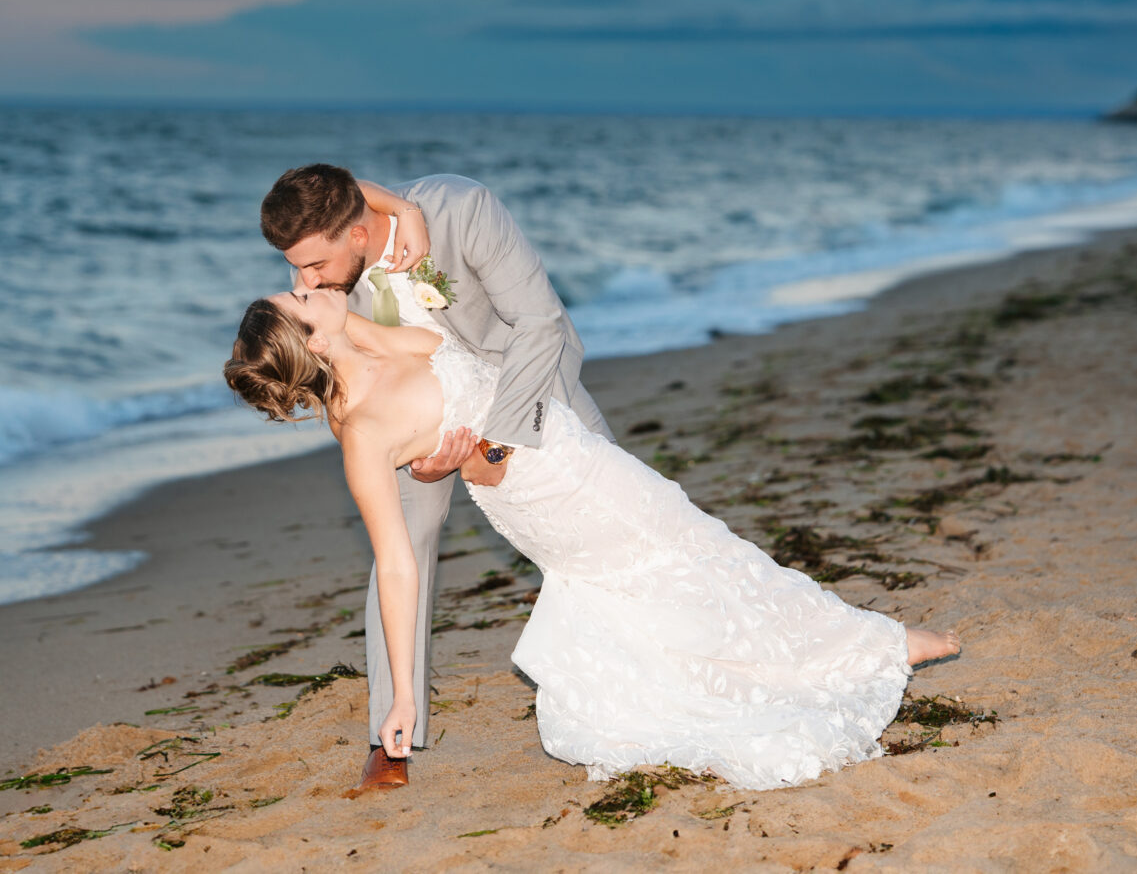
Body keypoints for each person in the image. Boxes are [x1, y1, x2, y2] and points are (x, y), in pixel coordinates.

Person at [237, 192, 961, 792]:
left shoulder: (385, 303)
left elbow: (467, 342)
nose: (308, 283)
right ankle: (875, 644)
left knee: (656, 564)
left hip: (539, 432)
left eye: (304, 273)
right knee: (689, 545)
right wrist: (434, 460)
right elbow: (394, 558)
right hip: (550, 475)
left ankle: (805, 655)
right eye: (299, 293)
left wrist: (472, 437)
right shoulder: (360, 428)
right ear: (314, 342)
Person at [259, 166, 613, 790]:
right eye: (296, 268)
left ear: (358, 234)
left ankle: (625, 676)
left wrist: (493, 447)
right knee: (397, 550)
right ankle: (389, 733)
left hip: (521, 381)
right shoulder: (322, 270)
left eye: (314, 265)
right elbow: (338, 379)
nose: (303, 281)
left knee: (609, 520)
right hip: (417, 409)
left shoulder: (461, 210)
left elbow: (539, 323)